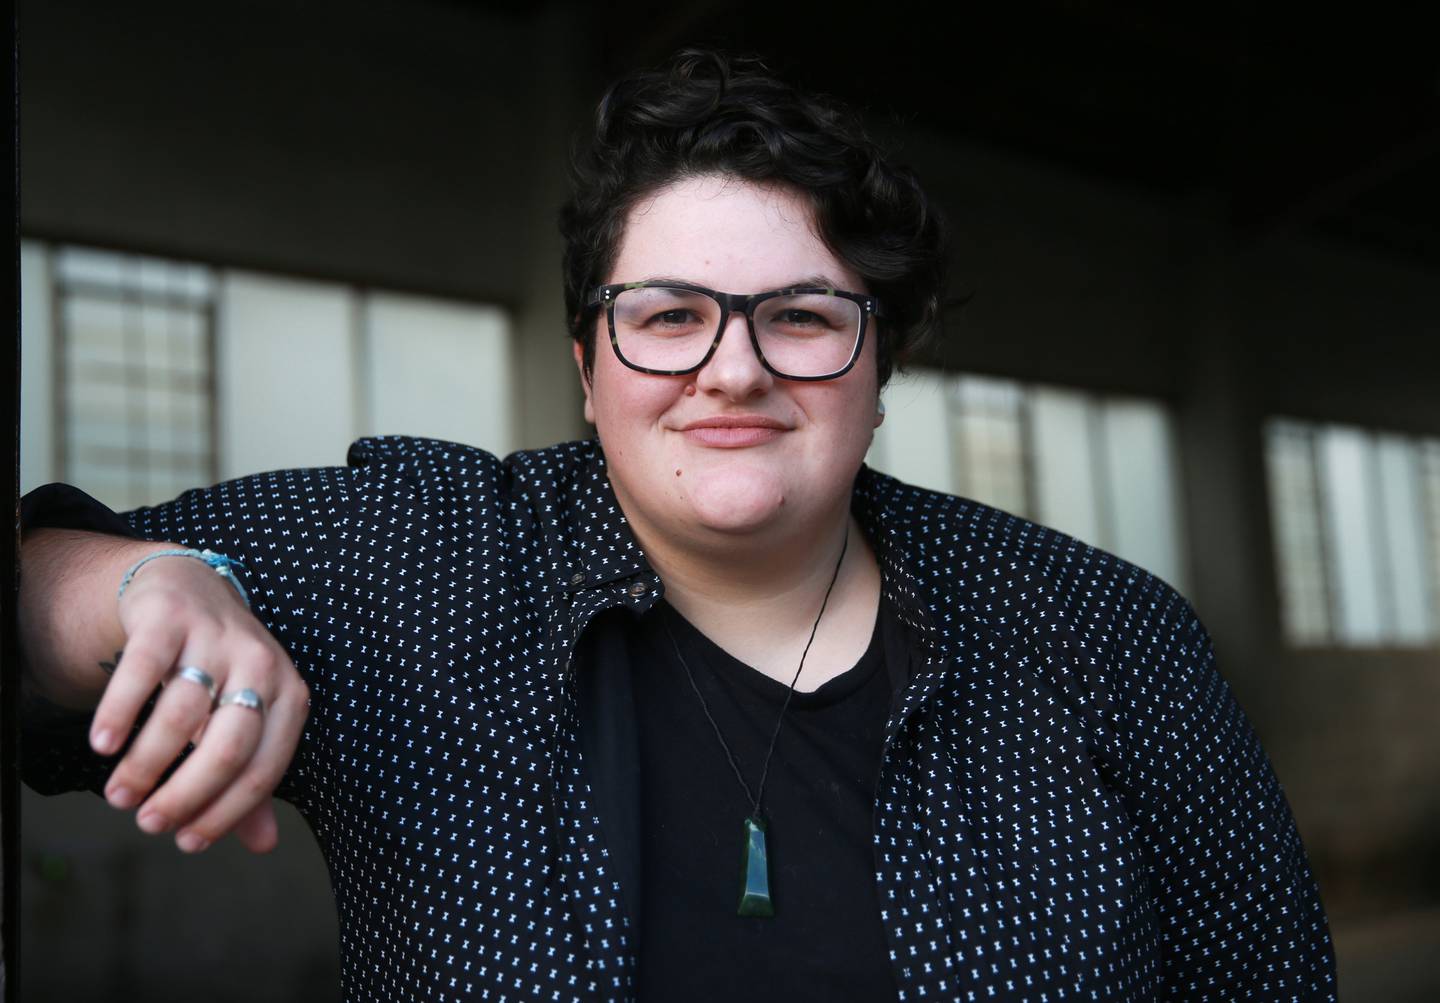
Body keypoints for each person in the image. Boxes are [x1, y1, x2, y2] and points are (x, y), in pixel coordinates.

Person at [18, 49, 1337, 1002]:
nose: (734, 368)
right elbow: (33, 599)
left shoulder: (1107, 634)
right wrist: (141, 578)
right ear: (589, 366)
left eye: (806, 316)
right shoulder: (422, 556)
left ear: (881, 374)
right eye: (666, 314)